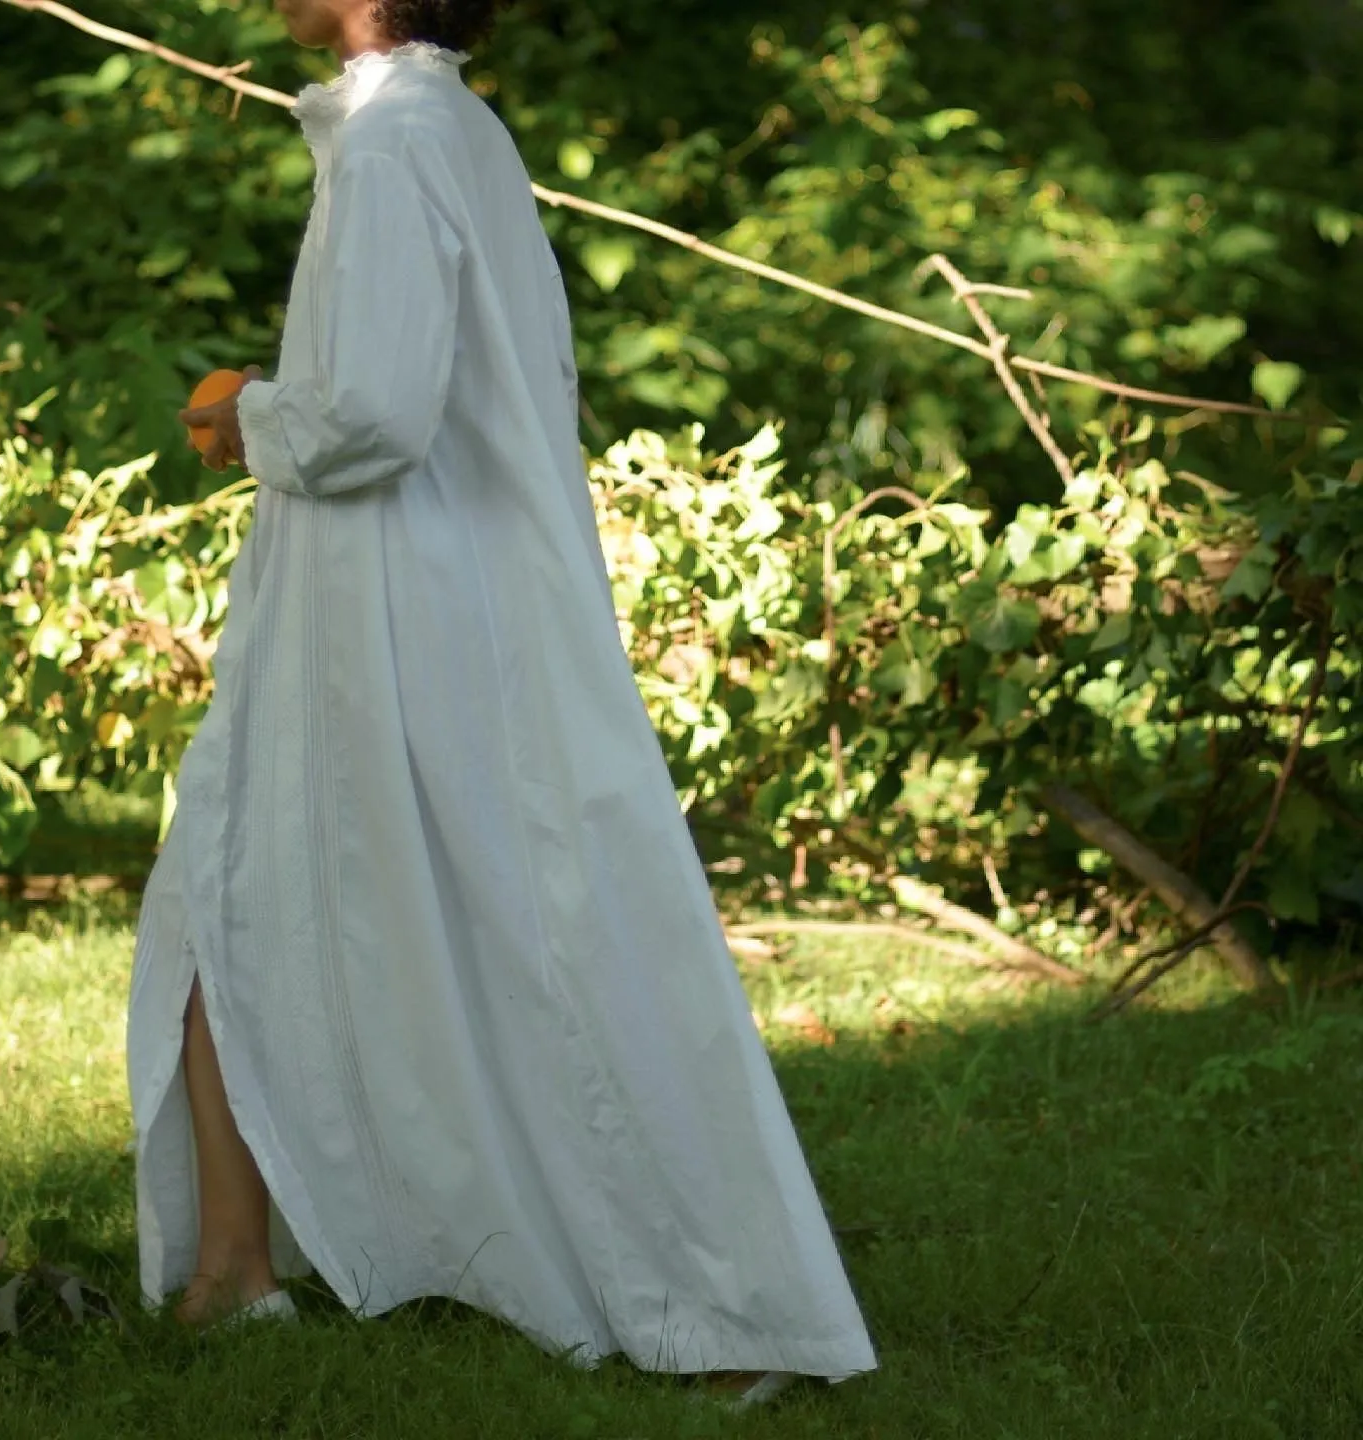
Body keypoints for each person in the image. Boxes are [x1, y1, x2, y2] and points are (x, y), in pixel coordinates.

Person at [129, 0, 877, 1408]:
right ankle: (234, 1270)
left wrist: (247, 412)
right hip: (408, 592)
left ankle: (721, 1302)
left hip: (401, 605)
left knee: (521, 925)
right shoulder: (440, 129)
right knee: (240, 888)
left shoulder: (406, 140)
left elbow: (374, 415)